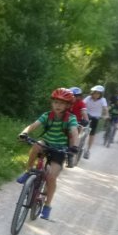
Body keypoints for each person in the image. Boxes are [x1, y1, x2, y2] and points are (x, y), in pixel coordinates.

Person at [16, 88, 79, 220]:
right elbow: (33, 125)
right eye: (55, 102)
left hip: (60, 148)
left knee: (51, 177)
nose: (58, 105)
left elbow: (74, 132)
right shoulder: (47, 115)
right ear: (52, 103)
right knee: (36, 145)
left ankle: (47, 205)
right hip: (46, 142)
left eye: (62, 103)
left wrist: (74, 146)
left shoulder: (71, 119)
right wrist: (24, 133)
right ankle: (28, 171)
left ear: (68, 106)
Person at [82, 84, 108, 158]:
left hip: (95, 118)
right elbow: (83, 104)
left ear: (100, 94)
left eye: (98, 93)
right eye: (95, 93)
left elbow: (105, 108)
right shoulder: (88, 98)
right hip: (86, 116)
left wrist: (106, 115)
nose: (96, 95)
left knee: (92, 134)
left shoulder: (103, 100)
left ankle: (88, 150)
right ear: (92, 93)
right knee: (80, 128)